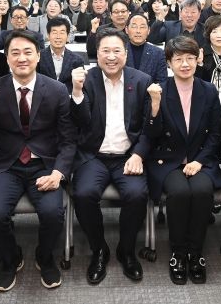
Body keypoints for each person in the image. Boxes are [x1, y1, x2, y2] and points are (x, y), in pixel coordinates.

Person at [0, 30, 77, 291]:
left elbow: (68, 140)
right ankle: (10, 258)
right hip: (7, 165)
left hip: (44, 165)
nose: (21, 58)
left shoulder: (57, 90)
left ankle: (44, 257)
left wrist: (58, 173)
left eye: (27, 52)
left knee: (52, 214)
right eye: (15, 53)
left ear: (38, 56)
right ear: (7, 58)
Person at [69, 28, 152, 284]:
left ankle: (126, 251)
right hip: (93, 155)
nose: (111, 56)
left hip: (128, 155)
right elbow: (79, 122)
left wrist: (138, 154)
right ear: (97, 53)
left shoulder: (141, 81)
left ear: (126, 53)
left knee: (137, 195)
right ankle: (99, 250)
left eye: (117, 50)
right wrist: (77, 92)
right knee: (83, 194)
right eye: (105, 51)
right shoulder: (86, 79)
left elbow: (150, 127)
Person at [145, 36, 221, 285]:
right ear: (169, 63)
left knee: (202, 191)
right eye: (178, 59)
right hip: (169, 160)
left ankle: (195, 252)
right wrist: (155, 106)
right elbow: (151, 134)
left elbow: (216, 133)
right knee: (179, 193)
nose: (185, 64)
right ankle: (178, 253)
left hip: (201, 159)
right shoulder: (159, 90)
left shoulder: (208, 90)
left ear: (198, 60)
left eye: (190, 58)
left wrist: (199, 161)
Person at [37, 18, 85, 92]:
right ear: (48, 35)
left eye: (62, 33)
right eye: (54, 32)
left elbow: (79, 85)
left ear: (68, 36)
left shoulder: (77, 60)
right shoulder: (38, 57)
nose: (58, 37)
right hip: (44, 96)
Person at [125, 13, 167, 85]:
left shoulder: (158, 53)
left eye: (142, 27)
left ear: (148, 30)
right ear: (126, 30)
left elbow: (162, 82)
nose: (138, 31)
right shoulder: (119, 51)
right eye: (134, 27)